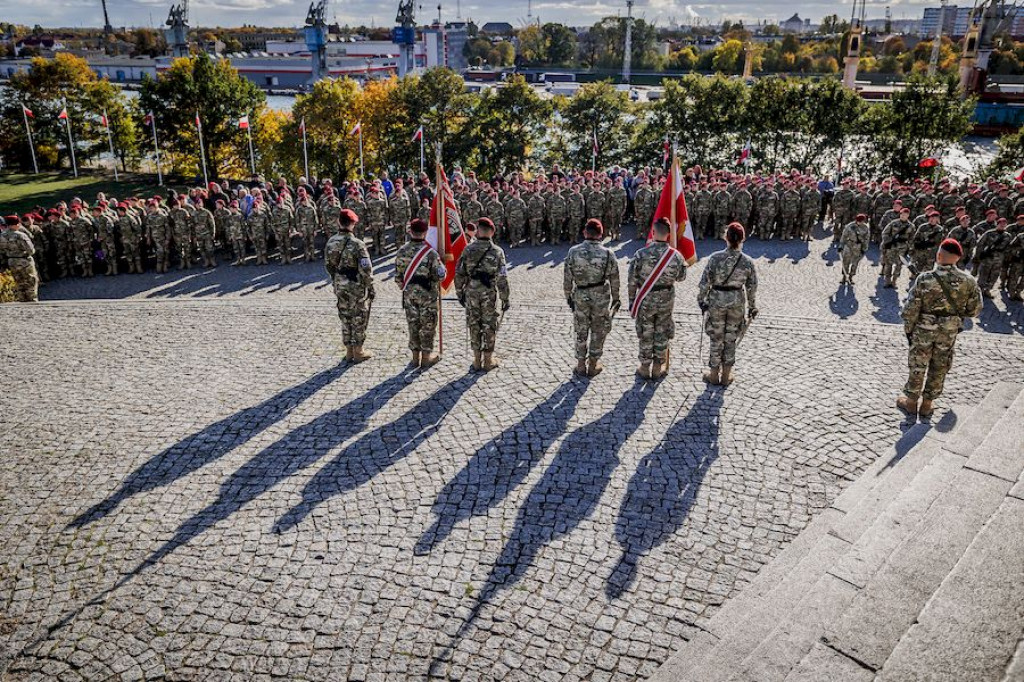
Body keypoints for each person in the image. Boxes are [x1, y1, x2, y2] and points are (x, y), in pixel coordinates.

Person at [898, 238, 982, 418]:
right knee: (940, 365)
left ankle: (911, 402)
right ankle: (927, 404)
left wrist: (909, 329)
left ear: (938, 255)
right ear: (958, 258)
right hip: (948, 332)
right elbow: (974, 310)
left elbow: (910, 309)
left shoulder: (925, 278)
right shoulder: (969, 281)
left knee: (918, 364)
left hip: (923, 330)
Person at [698, 222, 758, 386]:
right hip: (736, 301)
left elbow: (704, 282)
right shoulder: (747, 262)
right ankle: (726, 375)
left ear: (726, 237)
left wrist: (701, 300)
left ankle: (713, 374)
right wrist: (752, 307)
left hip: (717, 300)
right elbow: (752, 287)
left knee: (716, 337)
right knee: (730, 338)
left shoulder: (715, 258)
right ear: (743, 238)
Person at [628, 217, 687, 380]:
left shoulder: (640, 254)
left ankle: (644, 366)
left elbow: (632, 280)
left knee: (646, 332)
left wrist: (632, 301)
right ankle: (657, 366)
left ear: (653, 232)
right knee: (662, 331)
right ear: (669, 234)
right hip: (666, 298)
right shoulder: (675, 256)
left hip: (646, 298)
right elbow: (682, 277)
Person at [564, 219, 621, 377]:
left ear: (584, 233)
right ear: (601, 234)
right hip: (600, 295)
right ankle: (593, 364)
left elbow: (567, 277)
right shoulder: (608, 254)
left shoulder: (573, 252)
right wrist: (616, 299)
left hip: (580, 294)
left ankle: (581, 364)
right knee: (598, 329)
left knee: (581, 328)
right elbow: (615, 279)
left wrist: (568, 296)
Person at [455, 217, 510, 372]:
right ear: (492, 232)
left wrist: (460, 293)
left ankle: (477, 360)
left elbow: (459, 274)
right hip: (489, 294)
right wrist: (505, 298)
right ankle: (488, 360)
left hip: (471, 292)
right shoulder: (497, 251)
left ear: (478, 231)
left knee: (474, 323)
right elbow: (502, 277)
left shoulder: (468, 249)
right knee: (489, 324)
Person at [394, 218, 447, 368]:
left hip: (409, 296)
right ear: (425, 233)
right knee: (428, 326)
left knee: (413, 324)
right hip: (428, 296)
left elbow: (398, 277)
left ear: (410, 231)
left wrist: (408, 289)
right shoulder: (431, 254)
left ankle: (415, 357)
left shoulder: (402, 251)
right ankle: (426, 358)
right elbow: (440, 276)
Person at [324, 208, 375, 363]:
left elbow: (328, 265)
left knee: (345, 316)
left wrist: (336, 279)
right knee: (359, 317)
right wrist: (370, 286)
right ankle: (358, 351)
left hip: (340, 283)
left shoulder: (331, 242)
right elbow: (366, 269)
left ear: (338, 222)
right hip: (356, 286)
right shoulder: (358, 244)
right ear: (353, 224)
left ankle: (349, 351)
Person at [1, 215, 40, 302]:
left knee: (18, 282)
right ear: (16, 224)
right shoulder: (21, 235)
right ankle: (32, 300)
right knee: (31, 281)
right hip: (24, 261)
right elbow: (31, 250)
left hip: (11, 261)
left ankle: (22, 300)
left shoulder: (2, 236)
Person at [839, 213, 871, 285]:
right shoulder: (850, 226)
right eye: (859, 221)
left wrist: (864, 248)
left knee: (855, 263)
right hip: (849, 245)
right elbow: (844, 236)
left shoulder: (865, 228)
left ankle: (851, 277)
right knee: (845, 261)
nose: (860, 222)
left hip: (858, 247)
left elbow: (867, 239)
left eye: (862, 221)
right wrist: (841, 245)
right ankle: (844, 277)